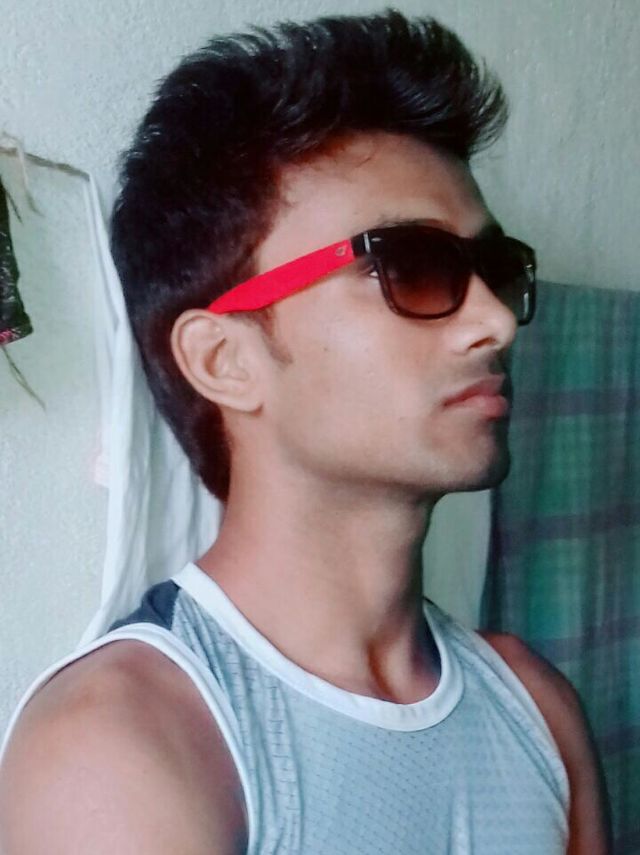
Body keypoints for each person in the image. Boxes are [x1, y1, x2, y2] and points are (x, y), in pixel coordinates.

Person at [0, 10, 611, 854]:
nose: (495, 323)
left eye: (496, 272)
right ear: (224, 360)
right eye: (410, 267)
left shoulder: (537, 709)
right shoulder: (123, 745)